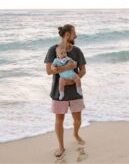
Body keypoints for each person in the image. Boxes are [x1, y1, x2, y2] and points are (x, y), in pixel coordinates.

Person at [44, 24, 87, 158]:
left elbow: (83, 70)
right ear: (67, 34)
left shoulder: (77, 51)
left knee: (78, 119)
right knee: (59, 120)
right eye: (74, 33)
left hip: (75, 91)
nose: (76, 35)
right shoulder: (53, 50)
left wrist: (73, 80)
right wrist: (67, 67)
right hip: (59, 92)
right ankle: (61, 146)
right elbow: (49, 71)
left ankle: (75, 133)